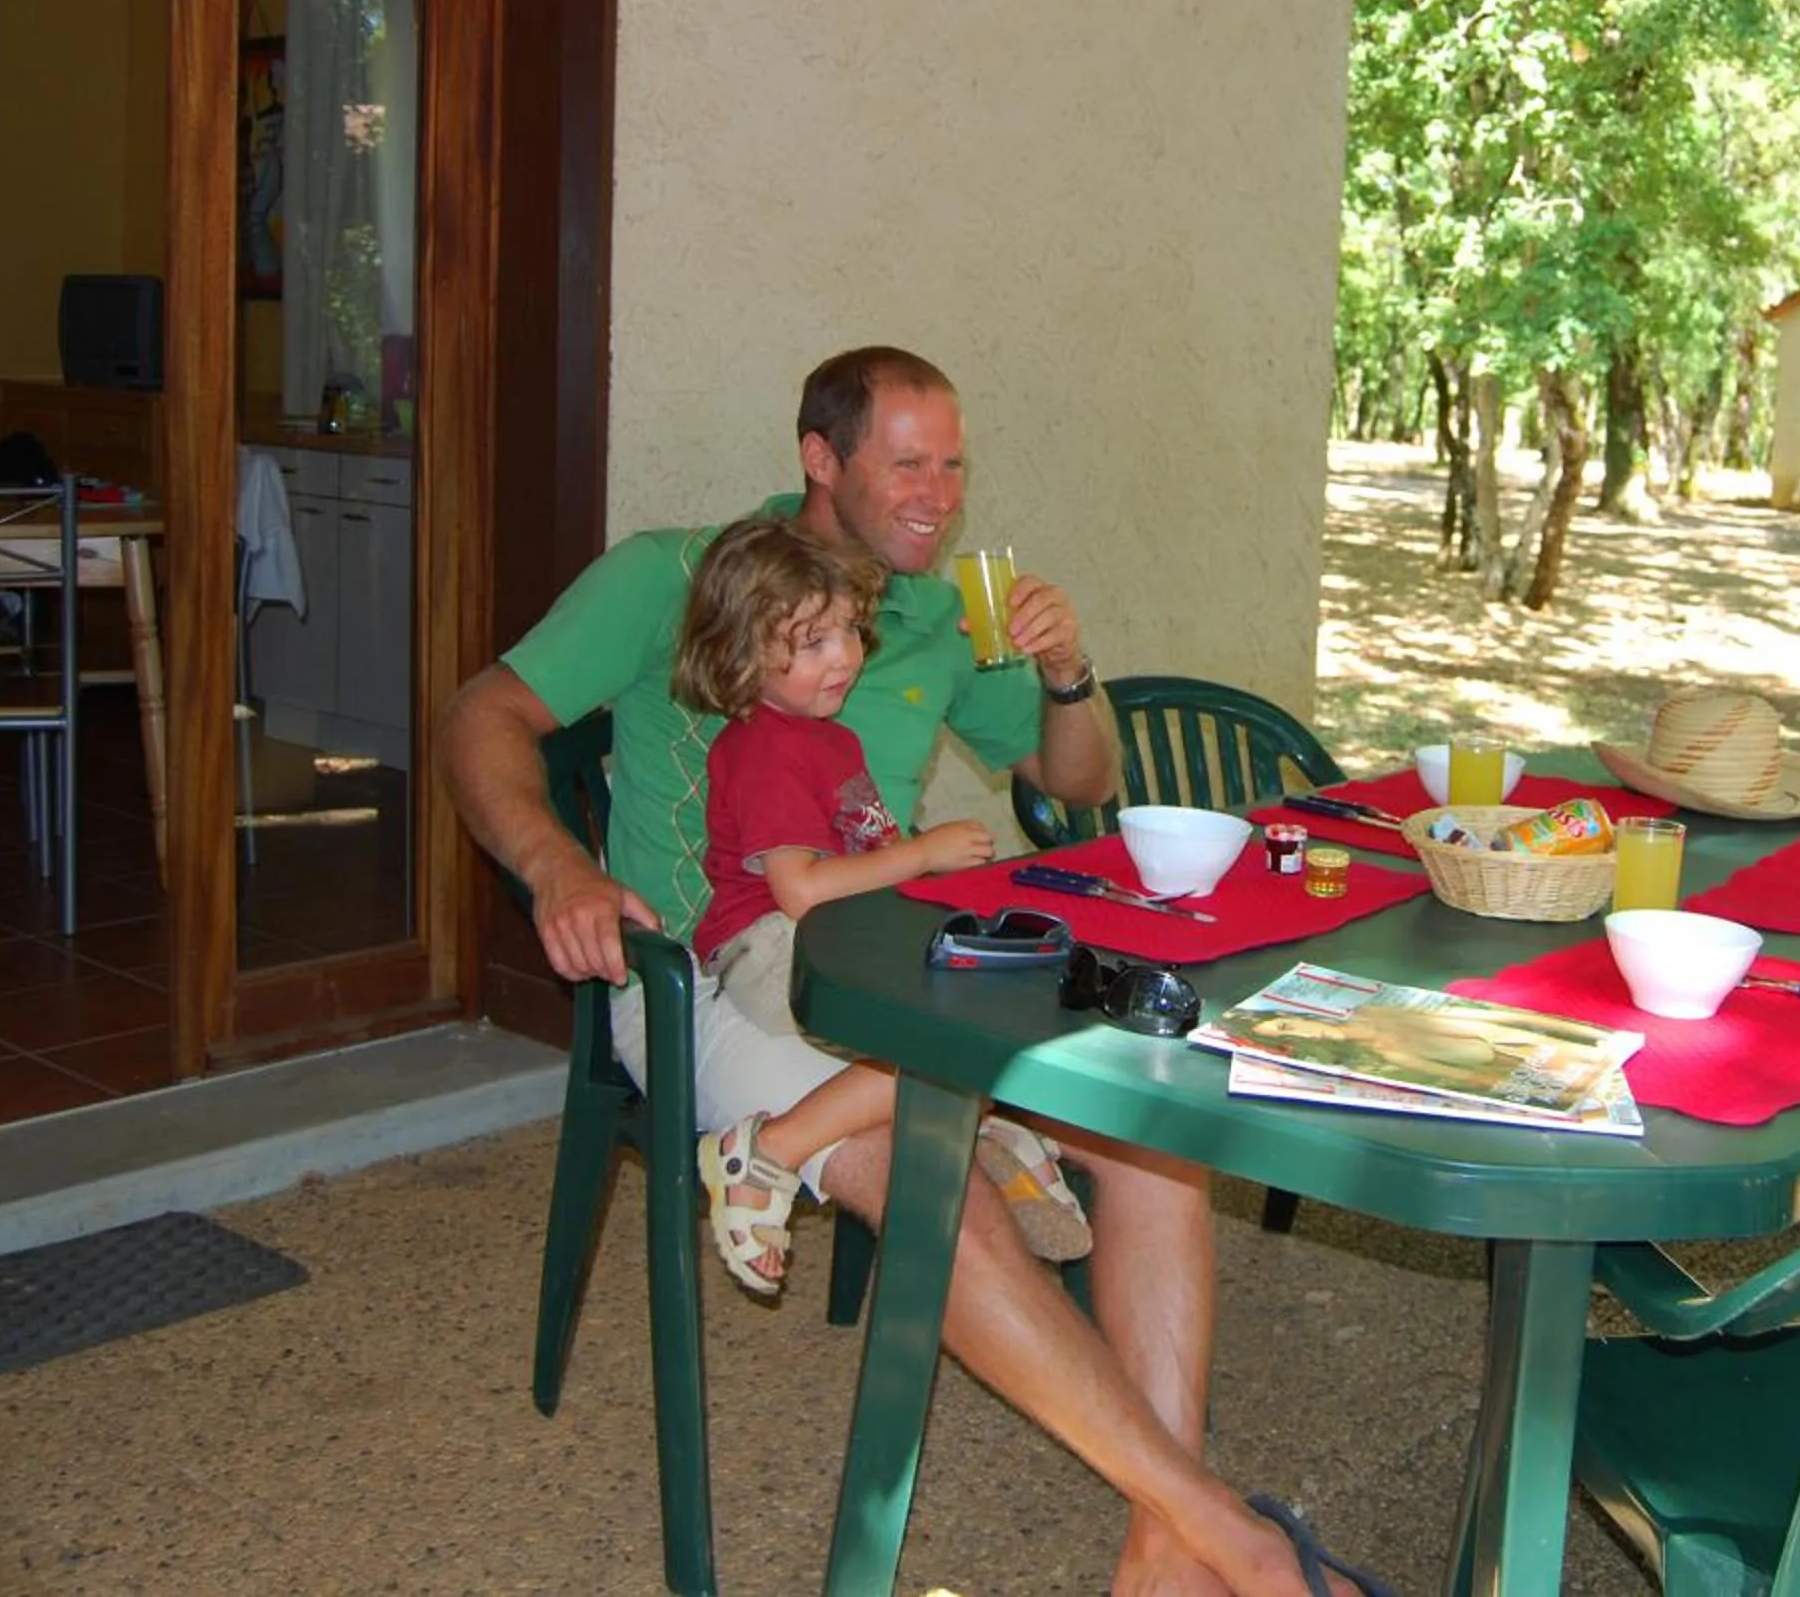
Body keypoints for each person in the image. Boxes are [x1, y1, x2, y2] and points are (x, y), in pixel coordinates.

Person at [441, 346, 1386, 1597]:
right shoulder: (676, 574)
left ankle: (1170, 1548)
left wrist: (1065, 672)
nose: (940, 493)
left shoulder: (941, 616)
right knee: (926, 1159)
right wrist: (556, 867)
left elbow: (1076, 785)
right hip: (707, 975)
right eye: (907, 463)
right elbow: (482, 715)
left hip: (896, 963)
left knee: (1155, 1135)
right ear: (819, 462)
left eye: (953, 464)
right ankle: (1244, 1544)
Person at [668, 513, 1089, 1294]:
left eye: (851, 633)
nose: (845, 659)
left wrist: (939, 891)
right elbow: (798, 889)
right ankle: (768, 1153)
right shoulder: (764, 749)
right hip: (769, 948)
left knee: (992, 984)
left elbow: (865, 865)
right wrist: (923, 854)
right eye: (813, 641)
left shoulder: (833, 740)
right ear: (741, 651)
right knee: (936, 1035)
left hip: (830, 936)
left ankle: (981, 1124)